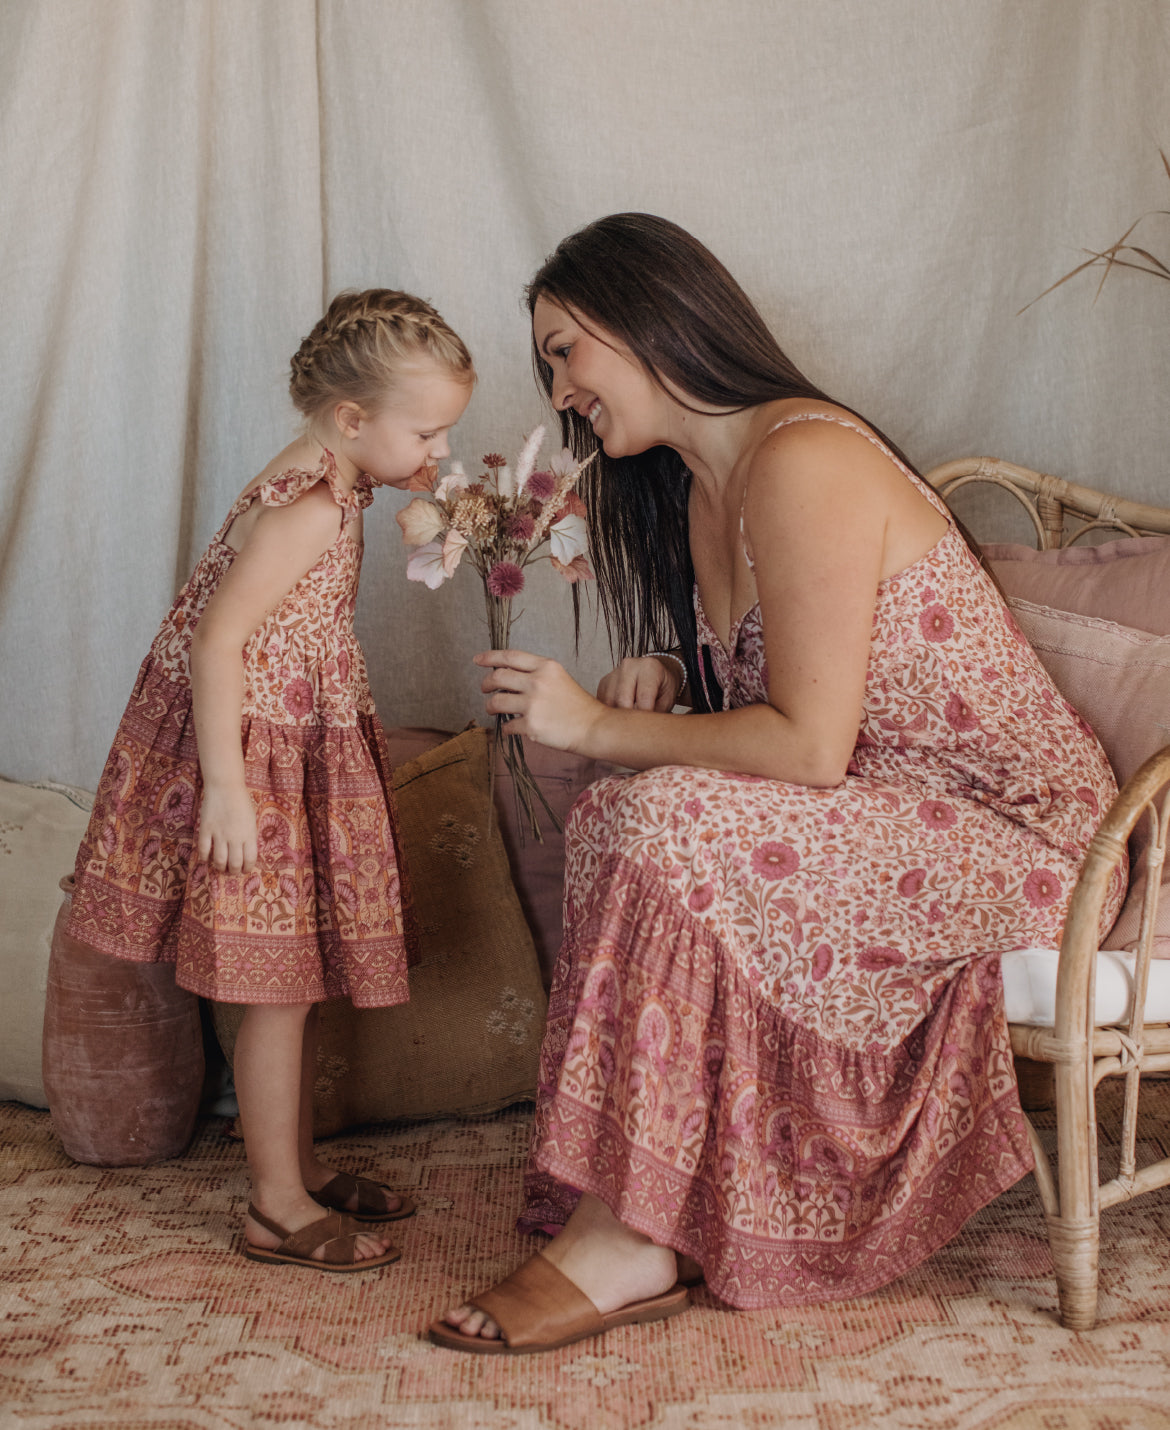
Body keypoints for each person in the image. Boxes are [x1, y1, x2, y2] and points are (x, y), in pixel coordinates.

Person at [429, 214, 1124, 1352]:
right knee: (621, 811)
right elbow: (813, 713)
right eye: (548, 362)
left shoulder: (804, 457)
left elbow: (808, 748)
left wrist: (601, 723)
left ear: (646, 314)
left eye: (567, 349)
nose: (560, 389)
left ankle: (629, 1239)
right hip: (894, 812)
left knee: (651, 810)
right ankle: (653, 1201)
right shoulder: (700, 492)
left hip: (1032, 847)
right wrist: (666, 683)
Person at [67, 289, 474, 1272]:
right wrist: (225, 787)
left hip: (295, 739)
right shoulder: (309, 506)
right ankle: (276, 1206)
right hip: (255, 754)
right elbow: (219, 644)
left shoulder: (332, 474)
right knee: (278, 989)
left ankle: (294, 1163)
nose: (435, 451)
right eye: (425, 431)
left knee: (295, 976)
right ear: (351, 420)